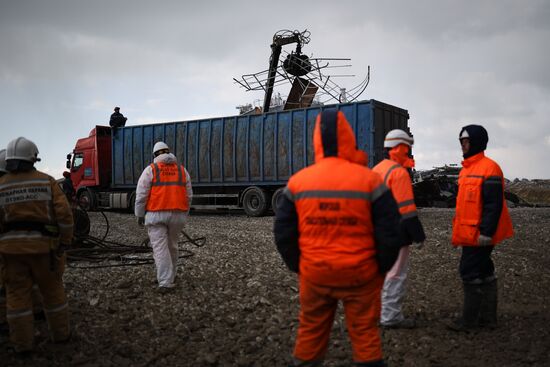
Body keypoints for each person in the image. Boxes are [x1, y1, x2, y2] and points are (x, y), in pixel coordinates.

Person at [274, 110, 403, 367]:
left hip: (315, 274)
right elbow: (391, 231)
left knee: (310, 330)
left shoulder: (299, 182)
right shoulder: (370, 180)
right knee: (365, 333)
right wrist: (379, 268)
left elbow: (283, 233)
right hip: (362, 275)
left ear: (316, 141)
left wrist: (300, 266)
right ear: (348, 137)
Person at [0, 137, 74, 353]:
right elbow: (65, 216)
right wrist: (65, 242)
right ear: (33, 158)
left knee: (17, 297)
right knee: (52, 292)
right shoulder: (46, 181)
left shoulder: (1, 187)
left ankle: (22, 345)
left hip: (10, 253)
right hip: (45, 250)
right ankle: (61, 336)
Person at [448, 125, 513, 331]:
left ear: (476, 142)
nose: (463, 146)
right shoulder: (467, 169)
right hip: (470, 232)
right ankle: (487, 319)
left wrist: (486, 232)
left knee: (468, 271)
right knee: (484, 270)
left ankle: (470, 321)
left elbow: (493, 205)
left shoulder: (489, 168)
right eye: (461, 142)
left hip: (480, 234)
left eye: (466, 142)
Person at [373, 129, 426, 329]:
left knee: (380, 274)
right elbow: (407, 211)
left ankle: (376, 312)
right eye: (407, 149)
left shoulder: (377, 169)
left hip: (376, 232)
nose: (409, 153)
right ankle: (391, 317)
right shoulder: (398, 173)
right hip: (396, 234)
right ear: (400, 148)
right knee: (395, 274)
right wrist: (418, 235)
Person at [134, 141, 192, 293]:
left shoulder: (151, 170)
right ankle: (169, 275)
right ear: (168, 152)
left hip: (156, 214)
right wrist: (184, 213)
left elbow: (141, 195)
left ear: (155, 155)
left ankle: (165, 282)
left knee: (160, 248)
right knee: (172, 245)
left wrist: (140, 214)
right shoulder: (181, 170)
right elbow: (189, 195)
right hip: (178, 215)